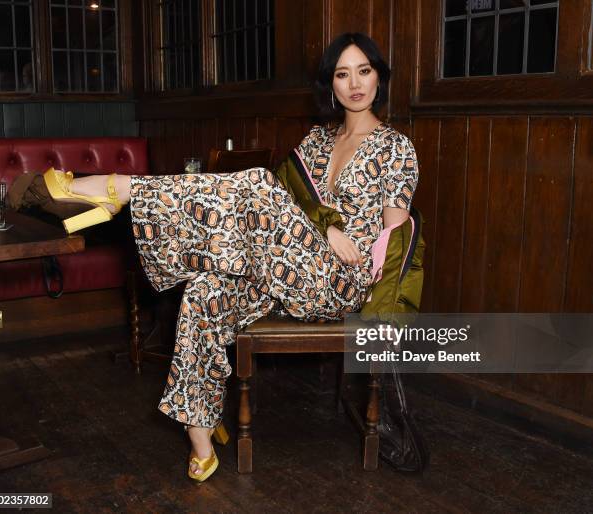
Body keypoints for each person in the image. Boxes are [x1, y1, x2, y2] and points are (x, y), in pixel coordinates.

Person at [39, 32, 419, 481]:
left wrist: (374, 301)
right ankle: (200, 432)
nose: (355, 83)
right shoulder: (316, 141)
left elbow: (396, 235)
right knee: (206, 289)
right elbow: (286, 207)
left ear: (379, 77)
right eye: (342, 73)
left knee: (257, 182)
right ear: (330, 85)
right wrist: (326, 227)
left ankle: (119, 188)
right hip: (288, 265)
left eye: (364, 71)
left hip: (341, 280)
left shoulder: (396, 148)